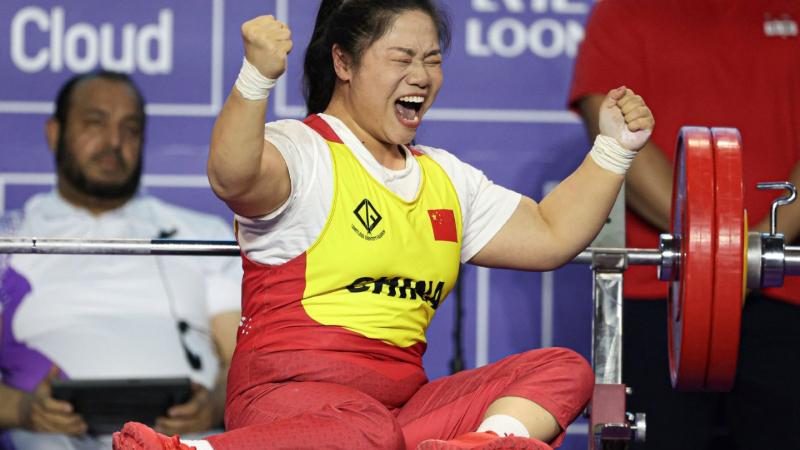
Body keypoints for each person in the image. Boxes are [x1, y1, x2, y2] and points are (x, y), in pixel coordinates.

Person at [112, 1, 655, 449]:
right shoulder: (302, 151)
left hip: (397, 420)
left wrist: (613, 149)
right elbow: (232, 177)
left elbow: (551, 234)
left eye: (432, 59)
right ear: (344, 63)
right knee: (362, 430)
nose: (421, 76)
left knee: (564, 370)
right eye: (402, 58)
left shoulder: (445, 176)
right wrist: (256, 78)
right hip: (288, 409)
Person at [568, 1, 800, 449]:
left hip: (783, 290)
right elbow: (615, 134)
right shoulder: (624, 11)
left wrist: (746, 254)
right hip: (663, 289)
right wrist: (722, 258)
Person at [0, 71, 242, 450]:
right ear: (54, 132)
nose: (114, 142)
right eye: (95, 124)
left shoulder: (200, 234)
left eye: (130, 129)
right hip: (47, 438)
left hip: (182, 438)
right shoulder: (9, 240)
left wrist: (214, 403)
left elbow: (243, 355)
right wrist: (23, 409)